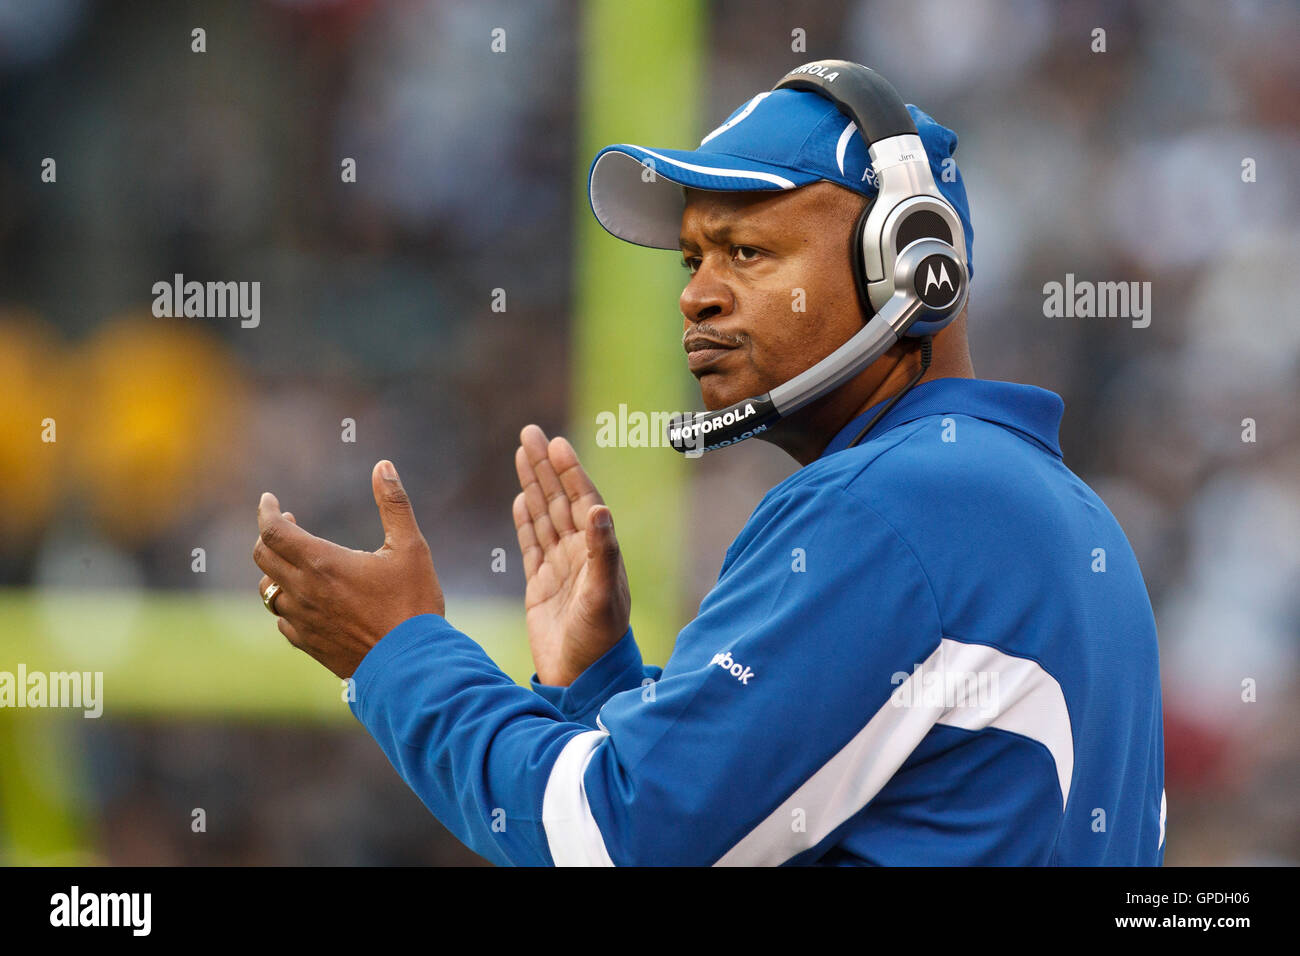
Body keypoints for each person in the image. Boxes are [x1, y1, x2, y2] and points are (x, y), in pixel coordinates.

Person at [252, 61, 1165, 866]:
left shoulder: (890, 508)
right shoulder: (1047, 511)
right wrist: (597, 688)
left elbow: (620, 840)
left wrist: (397, 654)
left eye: (747, 251)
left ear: (911, 267)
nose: (695, 295)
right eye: (692, 257)